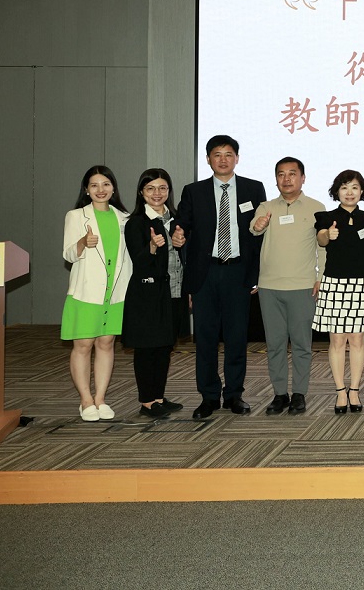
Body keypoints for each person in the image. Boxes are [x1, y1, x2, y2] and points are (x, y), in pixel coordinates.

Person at [176, 134, 267, 420]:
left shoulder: (253, 188)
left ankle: (234, 394)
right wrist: (177, 234)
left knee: (237, 337)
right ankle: (209, 396)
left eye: (229, 154)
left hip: (238, 271)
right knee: (205, 338)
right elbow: (182, 224)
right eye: (217, 154)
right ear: (208, 159)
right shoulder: (194, 191)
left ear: (237, 158)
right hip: (206, 272)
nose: (223, 159)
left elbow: (259, 235)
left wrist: (256, 273)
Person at [252, 157, 325, 416]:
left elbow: (322, 246)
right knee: (275, 345)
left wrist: (321, 277)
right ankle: (280, 394)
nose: (286, 179)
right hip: (269, 287)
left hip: (303, 286)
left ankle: (299, 394)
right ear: (276, 179)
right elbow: (254, 228)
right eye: (281, 174)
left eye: (292, 173)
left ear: (303, 178)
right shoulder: (266, 207)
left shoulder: (316, 207)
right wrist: (258, 225)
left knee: (302, 344)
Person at [62, 166, 133, 422]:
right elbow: (68, 254)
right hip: (86, 291)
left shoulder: (125, 217)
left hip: (116, 291)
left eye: (105, 184)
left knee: (106, 343)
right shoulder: (76, 216)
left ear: (113, 188)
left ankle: (100, 398)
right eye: (94, 185)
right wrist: (82, 242)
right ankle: (86, 400)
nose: (100, 190)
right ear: (86, 190)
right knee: (83, 345)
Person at [315, 169, 364, 414]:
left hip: (362, 283)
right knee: (337, 340)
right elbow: (321, 239)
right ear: (337, 192)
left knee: (358, 340)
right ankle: (340, 391)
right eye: (344, 187)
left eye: (354, 187)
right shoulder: (326, 217)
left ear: (362, 191)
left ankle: (355, 390)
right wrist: (328, 234)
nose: (349, 192)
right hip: (334, 283)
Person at [122, 168, 185, 419]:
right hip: (148, 294)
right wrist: (150, 247)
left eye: (162, 188)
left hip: (174, 291)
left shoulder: (176, 220)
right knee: (148, 349)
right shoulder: (136, 223)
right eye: (150, 188)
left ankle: (158, 397)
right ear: (141, 192)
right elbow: (138, 262)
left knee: (164, 347)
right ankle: (147, 401)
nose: (157, 193)